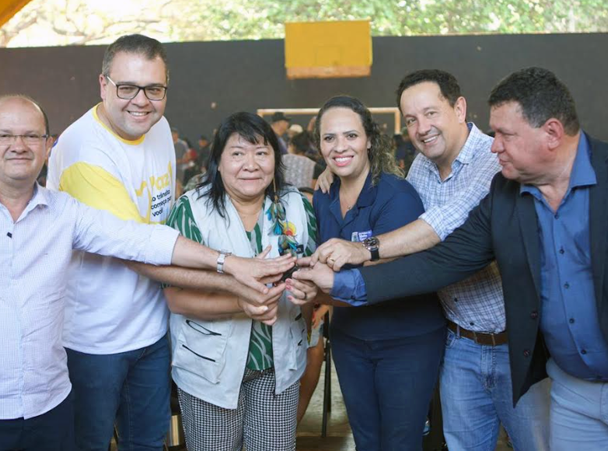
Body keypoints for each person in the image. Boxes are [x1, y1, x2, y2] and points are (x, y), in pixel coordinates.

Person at [299, 67, 608, 451]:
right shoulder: (497, 189)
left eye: (504, 135)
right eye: (410, 119)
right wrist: (342, 283)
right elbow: (443, 261)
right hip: (543, 378)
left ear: (551, 132)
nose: (494, 145)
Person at [0, 94, 291, 451]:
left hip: (50, 407)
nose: (19, 145)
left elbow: (141, 240)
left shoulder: (64, 213)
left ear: (49, 145)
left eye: (32, 136)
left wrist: (228, 262)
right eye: (4, 136)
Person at [46, 34, 293, 450]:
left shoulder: (157, 127)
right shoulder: (83, 151)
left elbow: (168, 210)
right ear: (103, 84)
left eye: (154, 89)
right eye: (127, 87)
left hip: (154, 328)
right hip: (95, 337)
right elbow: (136, 250)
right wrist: (232, 271)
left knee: (147, 442)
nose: (141, 101)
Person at [312, 70, 550, 451]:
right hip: (458, 341)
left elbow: (439, 225)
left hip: (513, 344)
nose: (422, 128)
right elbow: (378, 182)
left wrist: (364, 248)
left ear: (458, 108)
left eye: (430, 113)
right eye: (411, 120)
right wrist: (338, 164)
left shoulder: (493, 162)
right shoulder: (421, 167)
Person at [163, 112, 316, 451]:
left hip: (278, 367)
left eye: (261, 153)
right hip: (208, 369)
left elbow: (311, 273)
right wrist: (241, 303)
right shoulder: (192, 210)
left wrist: (309, 290)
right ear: (218, 161)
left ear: (276, 160)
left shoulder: (296, 207)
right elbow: (175, 298)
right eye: (237, 153)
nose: (251, 164)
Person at [306, 95, 447, 451]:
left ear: (369, 139)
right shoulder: (323, 195)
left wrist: (315, 292)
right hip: (351, 338)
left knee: (400, 441)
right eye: (329, 138)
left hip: (405, 341)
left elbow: (390, 278)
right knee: (366, 439)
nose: (340, 147)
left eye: (351, 136)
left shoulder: (396, 196)